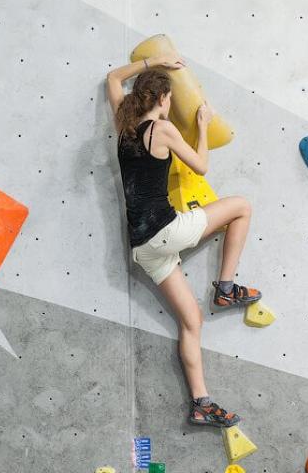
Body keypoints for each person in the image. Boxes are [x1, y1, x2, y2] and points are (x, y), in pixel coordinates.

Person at [106, 55, 262, 428]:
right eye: (169, 98)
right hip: (166, 230)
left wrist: (152, 61)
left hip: (143, 248)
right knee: (241, 206)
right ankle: (225, 287)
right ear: (162, 98)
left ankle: (201, 402)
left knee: (191, 320)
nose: (171, 104)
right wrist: (203, 126)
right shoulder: (160, 129)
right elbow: (202, 166)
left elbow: (113, 78)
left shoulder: (123, 125)